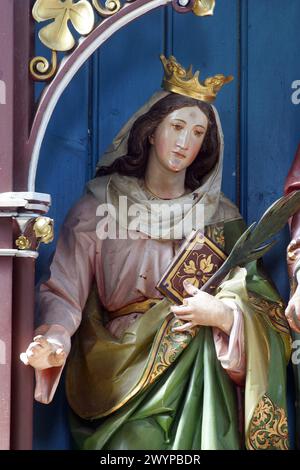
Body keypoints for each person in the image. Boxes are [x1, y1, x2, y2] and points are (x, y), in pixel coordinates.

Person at [21, 55, 291, 450]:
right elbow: (65, 291)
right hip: (122, 375)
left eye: (198, 133)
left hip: (199, 379)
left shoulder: (221, 217)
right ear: (150, 130)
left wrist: (225, 316)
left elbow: (266, 310)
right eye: (177, 126)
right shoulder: (99, 208)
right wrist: (56, 339)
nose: (185, 143)